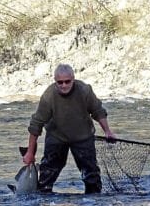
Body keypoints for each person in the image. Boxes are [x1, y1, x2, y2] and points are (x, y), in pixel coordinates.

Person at [23, 63, 116, 194]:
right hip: (57, 137)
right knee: (46, 175)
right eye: (60, 82)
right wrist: (30, 153)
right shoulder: (49, 96)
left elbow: (98, 111)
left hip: (83, 137)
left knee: (91, 176)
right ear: (55, 81)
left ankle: (94, 205)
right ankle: (43, 202)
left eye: (67, 81)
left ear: (73, 79)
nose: (64, 85)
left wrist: (107, 131)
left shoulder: (84, 90)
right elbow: (36, 125)